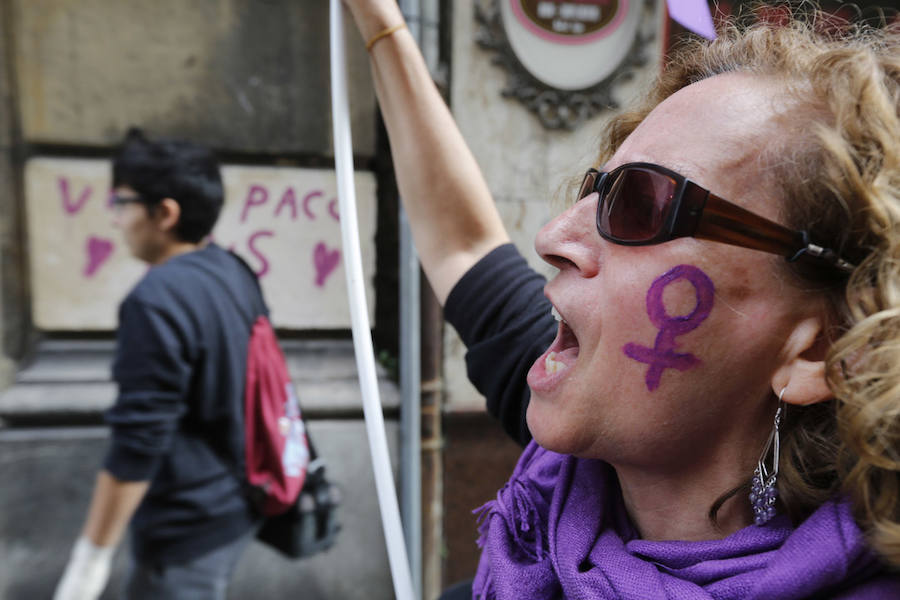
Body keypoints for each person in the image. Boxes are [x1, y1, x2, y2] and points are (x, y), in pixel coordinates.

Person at [344, 0, 900, 597]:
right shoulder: (571, 459)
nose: (552, 237)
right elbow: (464, 243)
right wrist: (382, 25)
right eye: (595, 187)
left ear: (817, 349)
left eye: (642, 203)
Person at [53, 129, 267, 600]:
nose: (116, 219)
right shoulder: (233, 270)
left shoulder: (155, 299)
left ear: (164, 213)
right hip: (234, 505)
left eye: (122, 203)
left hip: (186, 525)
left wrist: (89, 562)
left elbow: (138, 443)